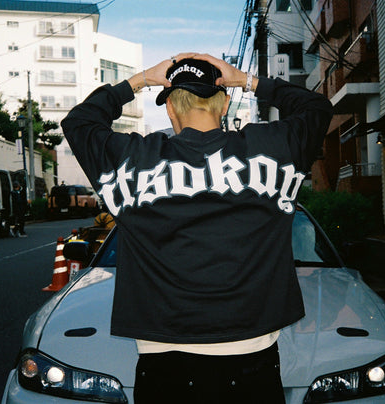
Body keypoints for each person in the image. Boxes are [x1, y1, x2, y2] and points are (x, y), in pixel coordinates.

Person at [61, 53, 333, 403]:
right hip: (253, 353)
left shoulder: (134, 156)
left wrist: (141, 80)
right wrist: (247, 81)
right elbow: (317, 107)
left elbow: (80, 121)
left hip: (163, 357)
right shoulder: (272, 147)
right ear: (224, 105)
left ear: (170, 109)